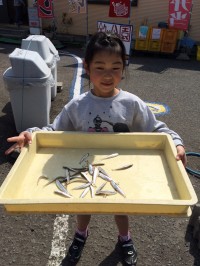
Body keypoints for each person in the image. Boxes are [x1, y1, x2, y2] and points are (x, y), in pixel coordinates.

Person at [5, 32, 186, 266]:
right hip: (83, 166)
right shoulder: (78, 105)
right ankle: (81, 234)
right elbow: (53, 130)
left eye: (115, 67)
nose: (108, 75)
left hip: (121, 170)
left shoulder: (132, 104)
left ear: (123, 69)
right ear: (88, 68)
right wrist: (31, 134)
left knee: (121, 206)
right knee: (83, 203)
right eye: (100, 67)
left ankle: (125, 238)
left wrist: (177, 143)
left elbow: (158, 129)